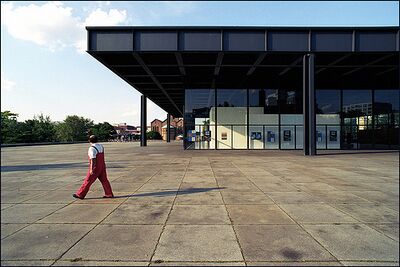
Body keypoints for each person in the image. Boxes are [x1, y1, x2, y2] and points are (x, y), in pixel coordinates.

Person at [73, 135, 114, 199]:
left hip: (95, 167)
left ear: (89, 140)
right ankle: (109, 194)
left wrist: (91, 169)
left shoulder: (92, 148)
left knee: (88, 181)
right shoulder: (101, 146)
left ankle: (80, 194)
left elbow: (93, 160)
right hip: (102, 166)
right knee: (104, 180)